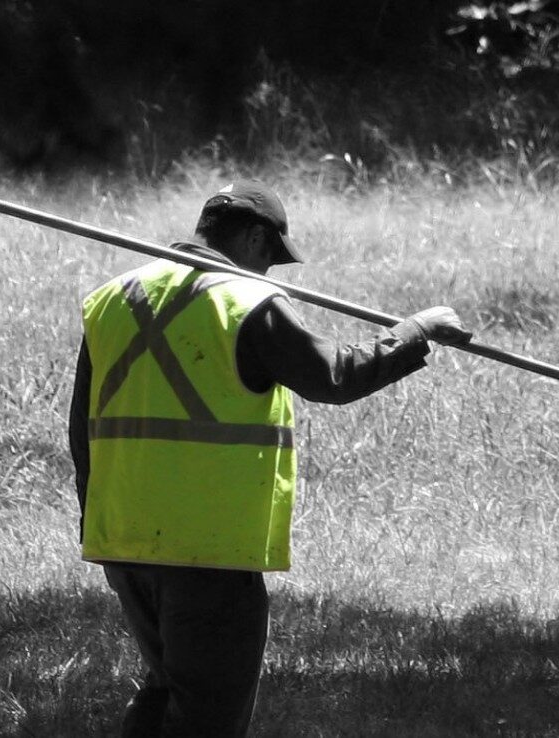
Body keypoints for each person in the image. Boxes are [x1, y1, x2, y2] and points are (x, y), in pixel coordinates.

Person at [67, 181, 471, 737]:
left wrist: (100, 526)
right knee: (207, 716)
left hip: (122, 543)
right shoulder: (247, 302)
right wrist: (413, 332)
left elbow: (80, 431)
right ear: (256, 237)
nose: (271, 273)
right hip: (206, 549)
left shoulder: (112, 297)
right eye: (272, 259)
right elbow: (332, 376)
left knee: (165, 691)